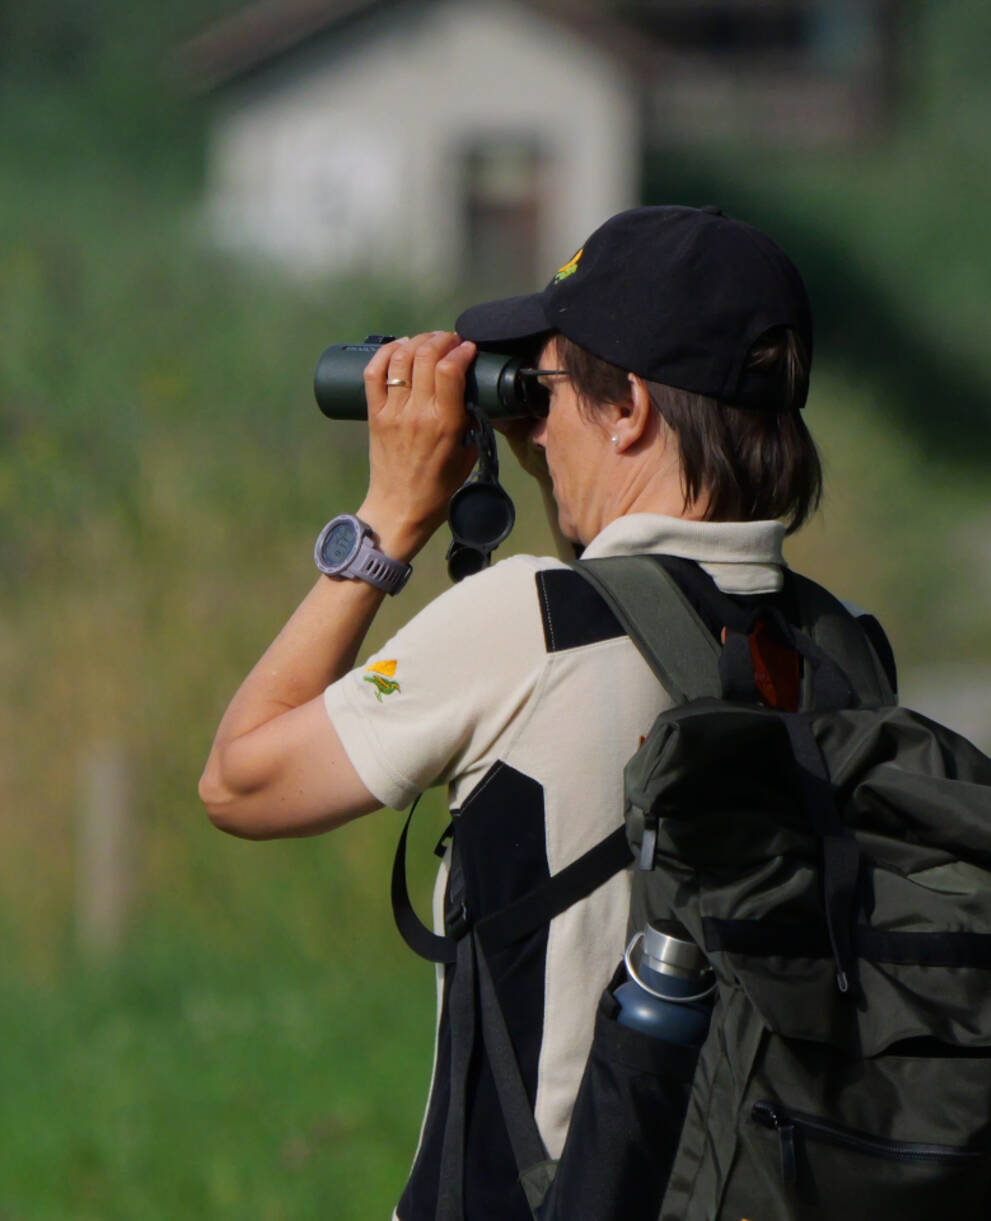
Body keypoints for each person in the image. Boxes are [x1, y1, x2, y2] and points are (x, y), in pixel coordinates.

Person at [200, 206, 851, 1220]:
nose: (529, 428)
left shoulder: (534, 622)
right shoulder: (841, 649)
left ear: (628, 409)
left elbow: (240, 781)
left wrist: (389, 519)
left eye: (543, 394)